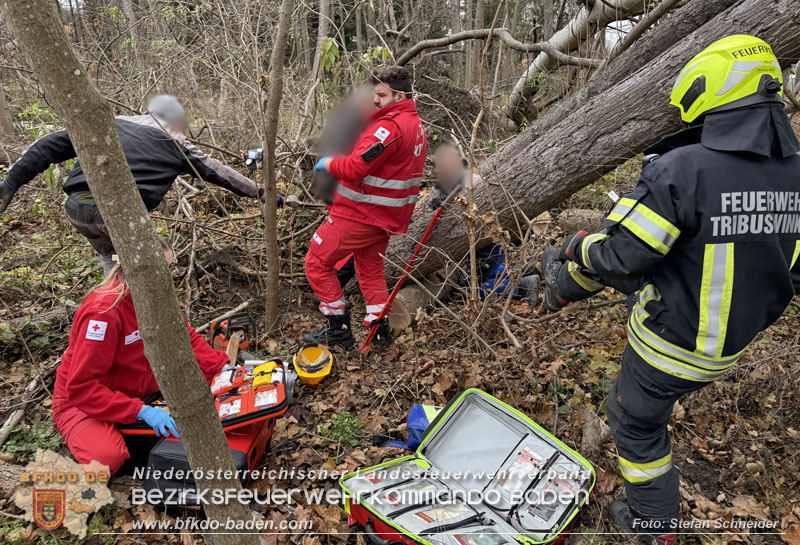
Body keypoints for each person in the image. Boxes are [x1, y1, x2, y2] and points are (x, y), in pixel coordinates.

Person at [540, 35, 800, 545]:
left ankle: (653, 527)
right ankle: (557, 291)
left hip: (671, 345)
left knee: (634, 423)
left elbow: (622, 256)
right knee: (627, 272)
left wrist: (575, 246)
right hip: (732, 340)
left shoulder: (682, 169)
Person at [0, 95, 279, 275]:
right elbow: (219, 172)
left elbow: (47, 145)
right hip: (117, 215)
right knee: (158, 262)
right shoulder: (176, 142)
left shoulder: (110, 123)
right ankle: (148, 326)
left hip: (76, 209)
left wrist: (12, 182)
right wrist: (261, 193)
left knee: (114, 263)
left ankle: (113, 317)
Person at [52, 238, 229, 474]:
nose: (166, 277)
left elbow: (183, 337)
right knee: (106, 458)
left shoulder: (155, 296)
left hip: (140, 389)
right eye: (160, 269)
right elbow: (81, 387)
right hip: (83, 402)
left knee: (212, 393)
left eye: (169, 268)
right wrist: (141, 411)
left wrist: (223, 368)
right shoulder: (103, 313)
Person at [305, 66, 427, 349]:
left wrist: (328, 164)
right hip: (382, 217)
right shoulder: (415, 125)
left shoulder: (391, 127)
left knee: (316, 262)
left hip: (362, 213)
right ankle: (379, 332)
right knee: (369, 270)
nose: (376, 101)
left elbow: (357, 167)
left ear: (399, 95)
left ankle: (338, 327)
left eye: (382, 95)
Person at [432, 142, 540, 305]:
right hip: (491, 241)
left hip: (482, 246)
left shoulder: (455, 184)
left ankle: (521, 286)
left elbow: (441, 210)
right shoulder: (471, 177)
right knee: (489, 273)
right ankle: (525, 271)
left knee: (468, 284)